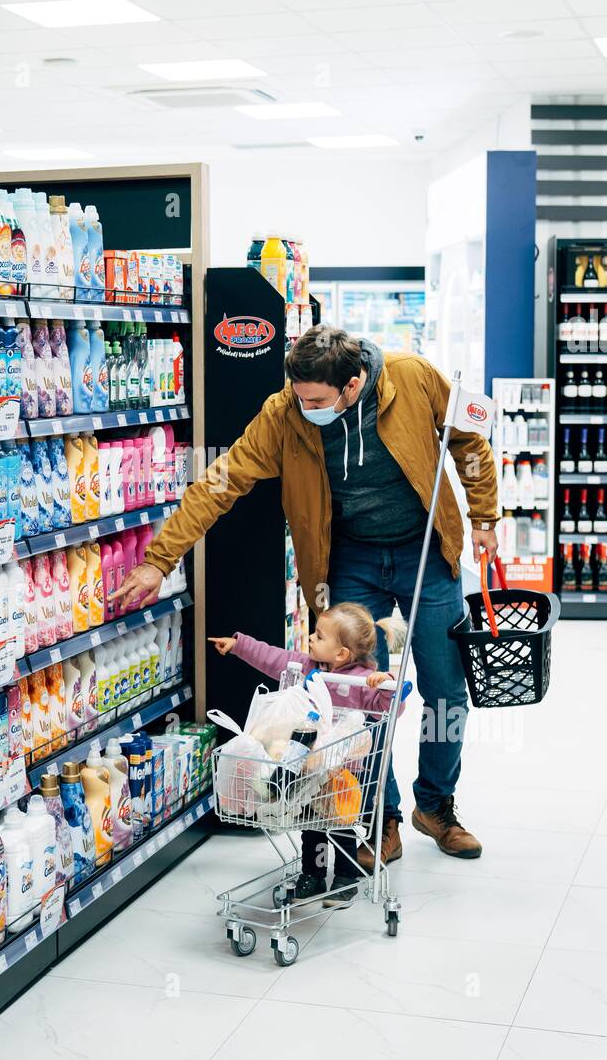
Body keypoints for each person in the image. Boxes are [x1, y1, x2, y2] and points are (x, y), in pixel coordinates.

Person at [112, 325, 498, 867]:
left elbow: (469, 440)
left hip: (425, 551)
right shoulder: (284, 413)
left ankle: (435, 805)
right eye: (298, 395)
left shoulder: (412, 379)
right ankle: (378, 817)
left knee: (445, 689)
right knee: (354, 699)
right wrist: (159, 559)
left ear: (353, 383)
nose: (304, 406)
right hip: (350, 558)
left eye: (316, 400)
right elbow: (220, 482)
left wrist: (483, 516)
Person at [210, 602, 403, 906]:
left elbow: (389, 709)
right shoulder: (308, 667)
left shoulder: (365, 681)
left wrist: (387, 685)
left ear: (342, 654)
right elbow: (272, 658)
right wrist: (239, 645)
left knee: (340, 824)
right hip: (306, 766)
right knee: (310, 824)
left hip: (345, 771)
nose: (311, 639)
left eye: (319, 636)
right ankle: (312, 874)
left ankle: (345, 878)